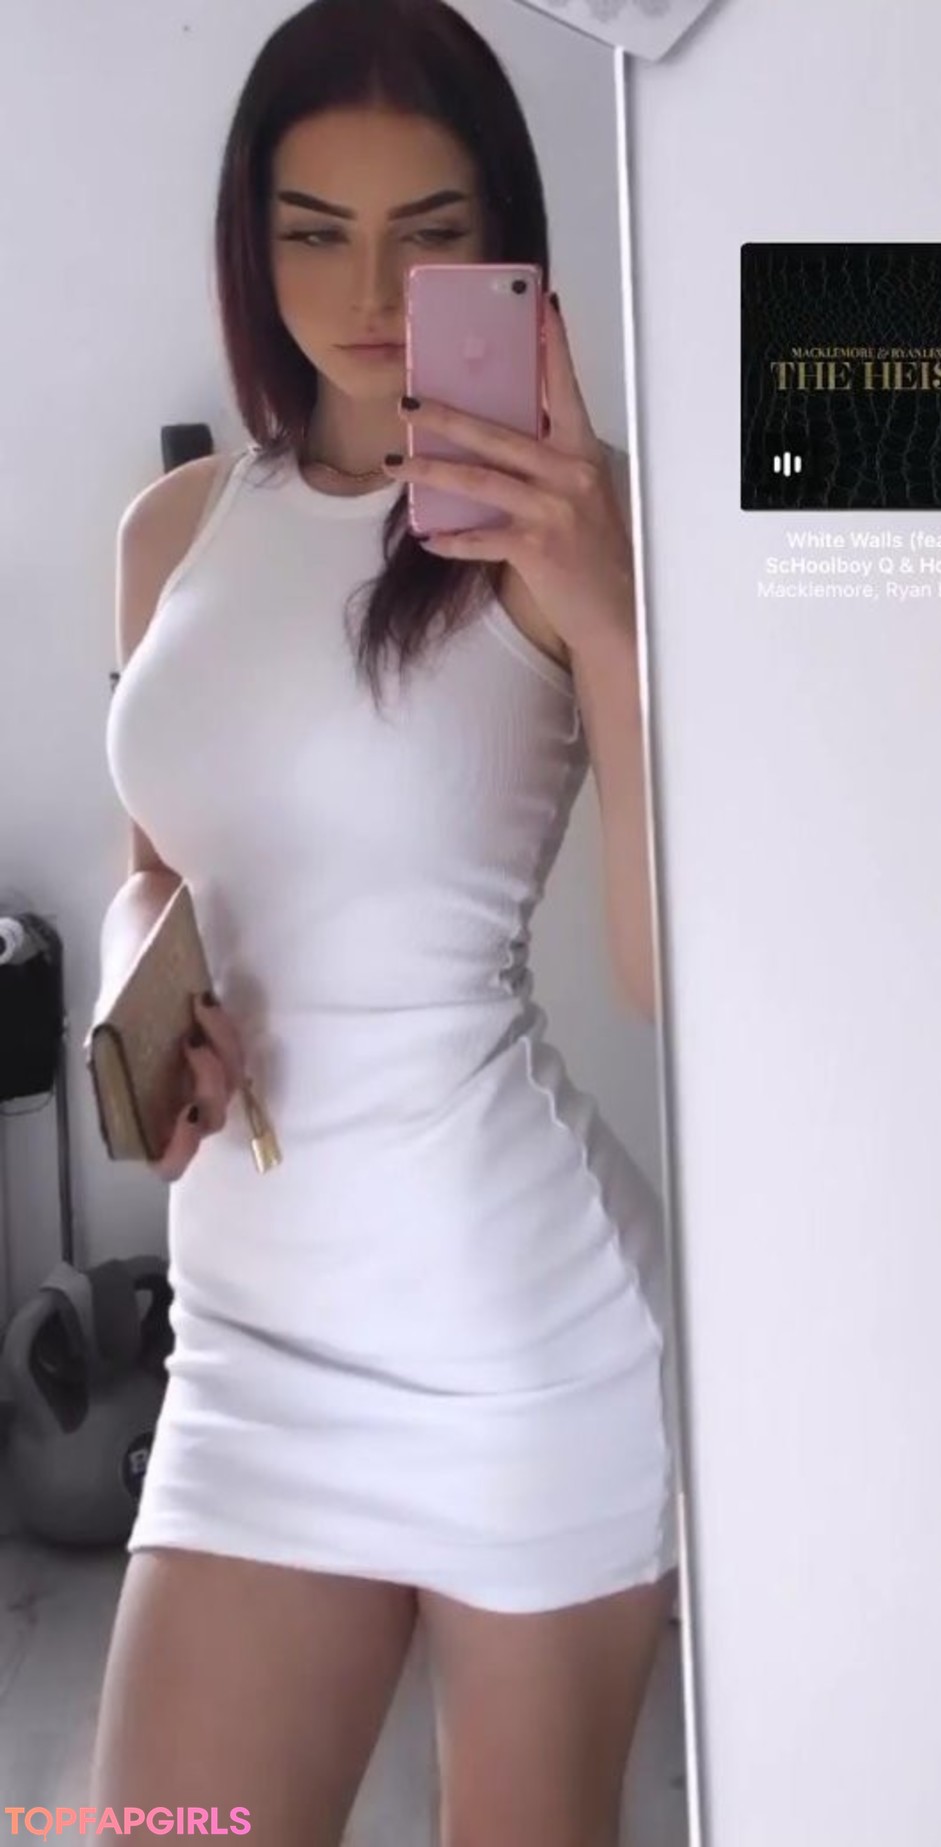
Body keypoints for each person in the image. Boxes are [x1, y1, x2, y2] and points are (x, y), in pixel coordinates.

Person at [88, 0, 680, 1840]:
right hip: (246, 1356)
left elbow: (669, 981)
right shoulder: (178, 529)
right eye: (313, 230)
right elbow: (158, 865)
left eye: (429, 234)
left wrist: (607, 609)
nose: (366, 292)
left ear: (507, 245)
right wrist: (137, 1005)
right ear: (247, 241)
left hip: (517, 1353)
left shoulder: (577, 531)